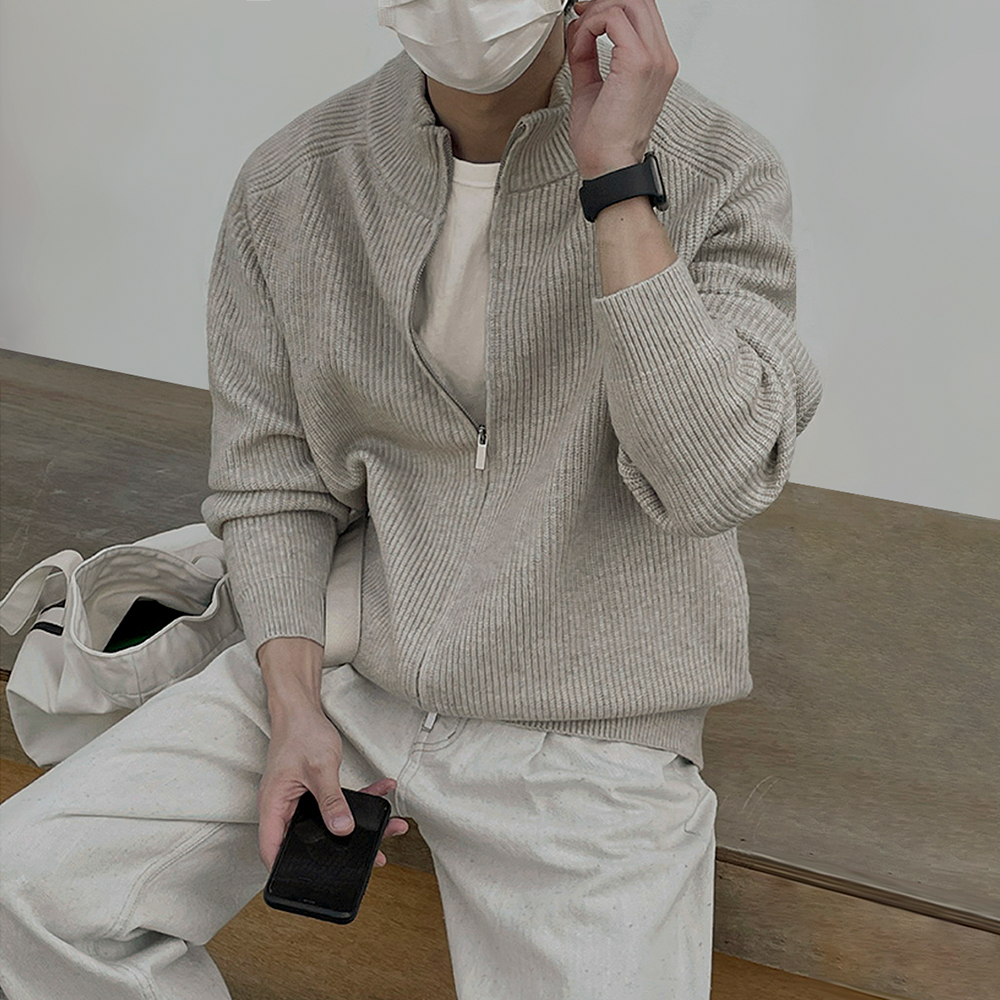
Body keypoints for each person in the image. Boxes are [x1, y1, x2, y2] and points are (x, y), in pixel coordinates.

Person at [0, 1, 823, 998]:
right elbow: (272, 478)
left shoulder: (719, 167)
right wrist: (293, 704)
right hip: (346, 672)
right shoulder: (296, 180)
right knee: (25, 891)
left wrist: (617, 181)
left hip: (589, 725)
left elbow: (712, 477)